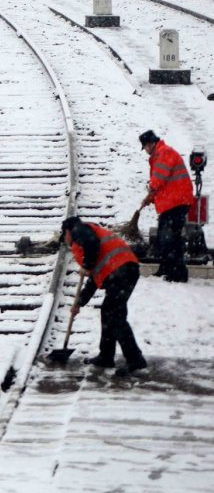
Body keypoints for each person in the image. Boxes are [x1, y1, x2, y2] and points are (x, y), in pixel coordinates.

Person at [62, 217, 146, 377]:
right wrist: (80, 302)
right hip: (122, 272)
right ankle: (106, 356)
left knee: (115, 318)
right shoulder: (88, 241)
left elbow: (91, 246)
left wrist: (86, 265)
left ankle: (135, 360)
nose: (65, 239)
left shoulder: (80, 231)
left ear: (67, 231)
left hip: (120, 272)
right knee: (109, 313)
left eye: (64, 235)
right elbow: (93, 279)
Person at [139, 130, 194, 282]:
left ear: (150, 144)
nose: (145, 151)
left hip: (177, 202)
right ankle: (165, 268)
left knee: (172, 239)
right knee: (163, 238)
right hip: (172, 202)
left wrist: (150, 189)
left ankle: (179, 274)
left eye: (145, 147)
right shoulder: (160, 153)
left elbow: (159, 179)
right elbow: (163, 184)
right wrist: (151, 198)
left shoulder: (163, 153)